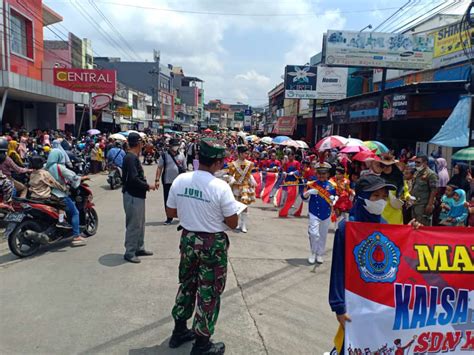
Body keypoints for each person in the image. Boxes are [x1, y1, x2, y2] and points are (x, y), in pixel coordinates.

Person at [166, 138, 239, 355]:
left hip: (188, 240)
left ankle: (179, 331)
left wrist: (192, 214)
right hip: (211, 245)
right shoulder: (221, 187)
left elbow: (170, 213)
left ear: (198, 158)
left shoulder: (181, 180)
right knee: (208, 291)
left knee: (187, 283)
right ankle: (202, 344)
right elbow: (233, 223)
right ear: (217, 162)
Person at [329, 175, 396, 353]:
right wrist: (338, 307)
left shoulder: (386, 225)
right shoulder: (347, 228)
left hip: (379, 303)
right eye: (375, 196)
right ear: (361, 198)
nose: (381, 201)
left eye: (383, 196)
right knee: (351, 344)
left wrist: (415, 234)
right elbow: (338, 270)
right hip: (354, 301)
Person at [122, 133, 155, 263]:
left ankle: (139, 248)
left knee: (140, 224)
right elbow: (133, 179)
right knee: (133, 225)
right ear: (139, 144)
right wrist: (147, 186)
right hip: (132, 195)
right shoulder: (130, 158)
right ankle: (129, 252)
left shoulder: (133, 157)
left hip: (137, 195)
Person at [46, 149, 88, 246]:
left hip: (48, 194)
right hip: (60, 195)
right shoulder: (59, 167)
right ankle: (76, 237)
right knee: (75, 212)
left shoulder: (46, 167)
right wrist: (83, 178)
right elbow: (73, 177)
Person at [302, 162, 336, 264]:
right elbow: (303, 197)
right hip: (314, 212)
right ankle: (313, 252)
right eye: (319, 173)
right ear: (316, 173)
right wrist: (308, 192)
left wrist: (334, 200)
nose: (321, 175)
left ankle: (320, 254)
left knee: (323, 235)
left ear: (328, 174)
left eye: (324, 173)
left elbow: (334, 197)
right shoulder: (311, 184)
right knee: (313, 234)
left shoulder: (332, 186)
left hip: (326, 213)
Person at [29, 155, 71, 229]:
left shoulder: (32, 173)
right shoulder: (44, 173)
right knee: (62, 204)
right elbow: (53, 183)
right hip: (44, 197)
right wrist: (64, 188)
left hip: (33, 197)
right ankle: (61, 221)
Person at [155, 138, 186, 225]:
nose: (176, 147)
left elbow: (185, 168)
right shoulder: (164, 155)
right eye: (174, 145)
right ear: (170, 146)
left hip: (179, 182)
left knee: (180, 199)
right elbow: (159, 167)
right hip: (167, 181)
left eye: (177, 145)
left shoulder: (182, 155)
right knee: (168, 200)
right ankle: (169, 218)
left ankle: (180, 216)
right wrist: (157, 180)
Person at [227, 145, 256, 233]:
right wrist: (231, 180)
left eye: (247, 153)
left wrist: (252, 180)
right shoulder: (233, 164)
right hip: (236, 186)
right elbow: (230, 175)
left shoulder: (250, 164)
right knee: (236, 206)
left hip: (245, 187)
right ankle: (237, 223)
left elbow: (249, 174)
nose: (246, 155)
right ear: (239, 154)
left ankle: (243, 224)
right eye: (244, 153)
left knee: (245, 205)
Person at [411, 155, 438, 226]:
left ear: (425, 163)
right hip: (415, 204)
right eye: (415, 162)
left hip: (423, 205)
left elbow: (434, 190)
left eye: (418, 162)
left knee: (422, 226)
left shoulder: (431, 174)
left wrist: (430, 205)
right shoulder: (417, 173)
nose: (416, 164)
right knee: (414, 225)